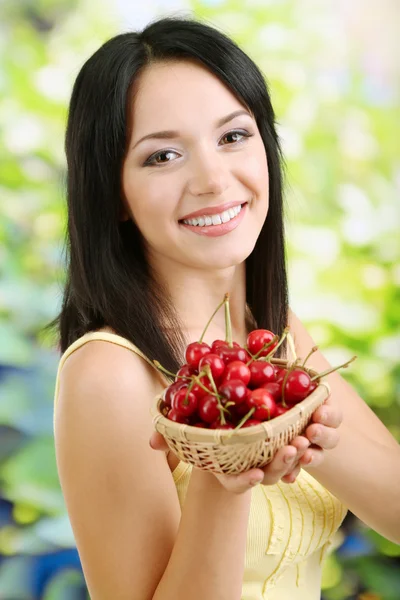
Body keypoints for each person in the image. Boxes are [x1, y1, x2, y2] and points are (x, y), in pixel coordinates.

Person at [53, 16, 400, 600]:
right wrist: (225, 471)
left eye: (234, 136)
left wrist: (301, 436)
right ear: (112, 193)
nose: (214, 179)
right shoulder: (109, 376)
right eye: (162, 156)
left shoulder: (271, 334)